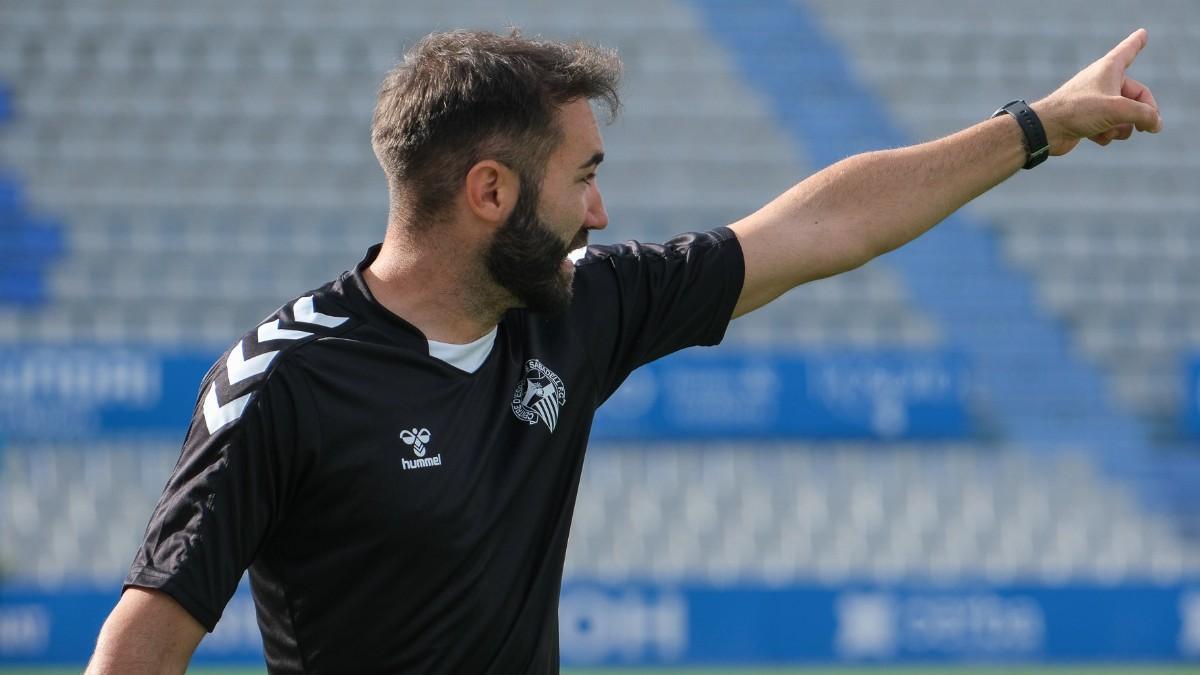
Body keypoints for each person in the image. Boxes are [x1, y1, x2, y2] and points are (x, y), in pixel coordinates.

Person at [86, 27, 1161, 674]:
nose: (601, 211)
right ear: (491, 191)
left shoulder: (576, 307)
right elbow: (141, 644)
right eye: (583, 177)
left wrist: (1040, 127)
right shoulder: (283, 378)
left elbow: (823, 225)